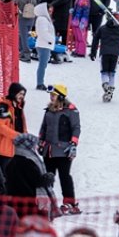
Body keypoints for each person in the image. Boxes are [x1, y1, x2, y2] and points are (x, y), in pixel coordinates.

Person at [38, 84, 80, 214]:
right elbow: (43, 127)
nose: (51, 97)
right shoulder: (49, 111)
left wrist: (73, 144)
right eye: (51, 95)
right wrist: (40, 142)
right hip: (48, 150)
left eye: (54, 95)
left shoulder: (71, 111)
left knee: (64, 176)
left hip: (63, 151)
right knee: (48, 177)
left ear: (61, 96)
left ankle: (69, 203)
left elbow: (76, 128)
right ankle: (48, 202)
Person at [5, 133, 56, 218]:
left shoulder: (11, 162)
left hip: (13, 203)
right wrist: (48, 178)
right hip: (28, 204)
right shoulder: (29, 162)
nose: (35, 147)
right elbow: (37, 181)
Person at [0, 83, 27, 172]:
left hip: (15, 148)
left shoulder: (18, 107)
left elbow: (21, 126)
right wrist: (16, 135)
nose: (21, 96)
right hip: (3, 149)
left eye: (23, 94)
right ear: (13, 93)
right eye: (20, 94)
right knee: (3, 177)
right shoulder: (4, 107)